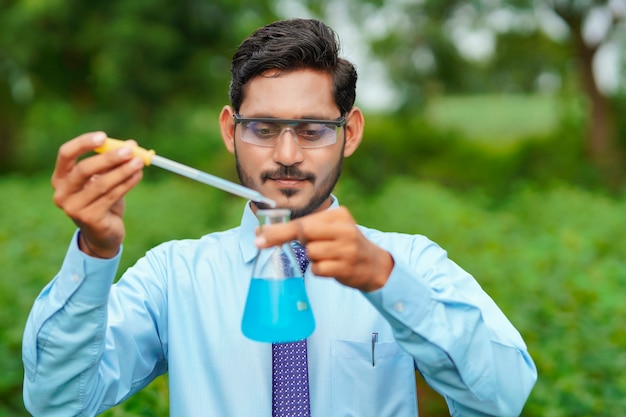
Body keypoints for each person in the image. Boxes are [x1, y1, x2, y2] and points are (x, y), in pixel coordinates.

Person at [22, 18, 537, 416]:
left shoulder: (408, 263)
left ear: (349, 132)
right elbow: (59, 403)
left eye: (312, 129)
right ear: (230, 130)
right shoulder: (173, 277)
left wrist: (388, 283)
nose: (287, 154)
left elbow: (504, 397)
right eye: (263, 128)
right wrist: (94, 250)